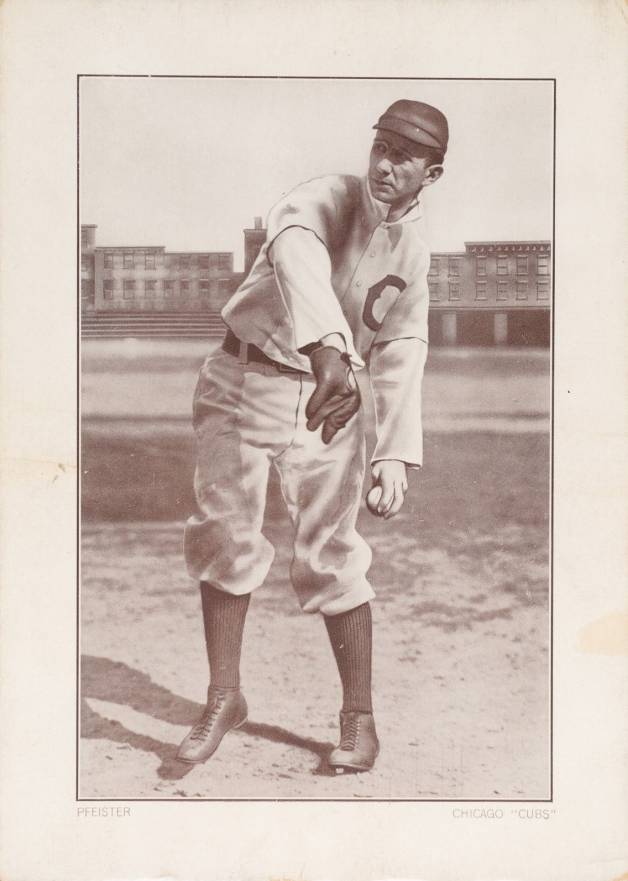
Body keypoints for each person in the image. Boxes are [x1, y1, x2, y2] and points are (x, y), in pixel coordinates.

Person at [177, 99, 448, 773]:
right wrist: (328, 345)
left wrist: (393, 452)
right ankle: (224, 696)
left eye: (404, 156)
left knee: (331, 550)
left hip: (333, 398)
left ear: (431, 174)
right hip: (245, 375)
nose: (386, 163)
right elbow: (293, 242)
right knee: (225, 533)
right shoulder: (329, 197)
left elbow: (403, 344)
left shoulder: (414, 253)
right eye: (381, 146)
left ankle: (359, 718)